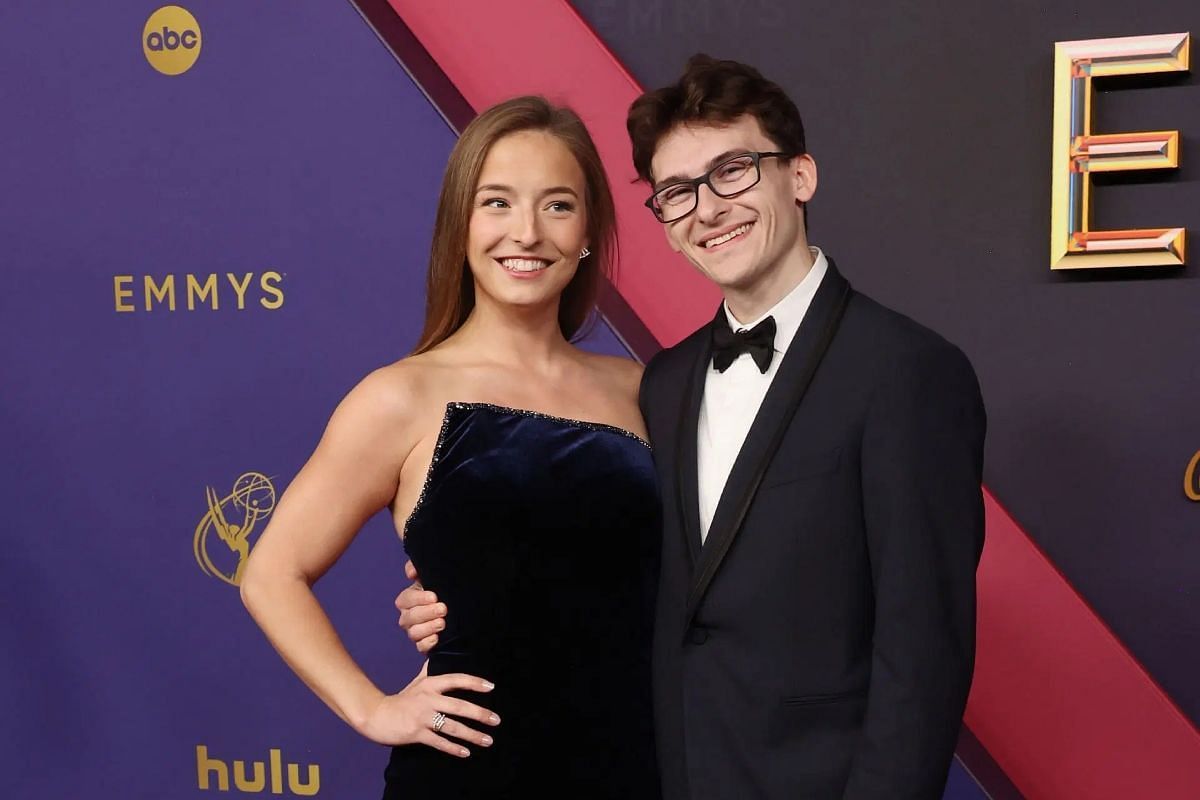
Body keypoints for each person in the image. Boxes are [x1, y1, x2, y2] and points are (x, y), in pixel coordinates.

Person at [397, 56, 987, 799]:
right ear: (666, 225)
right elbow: (612, 555)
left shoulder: (907, 372)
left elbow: (923, 653)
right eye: (678, 192)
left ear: (799, 176)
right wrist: (465, 582)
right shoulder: (663, 384)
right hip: (657, 775)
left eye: (733, 171)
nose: (708, 210)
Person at [240, 95, 661, 799]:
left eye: (557, 206)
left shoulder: (644, 391)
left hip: (640, 766)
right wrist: (373, 708)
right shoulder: (400, 397)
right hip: (473, 775)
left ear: (588, 230)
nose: (526, 232)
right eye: (497, 203)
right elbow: (270, 574)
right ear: (460, 224)